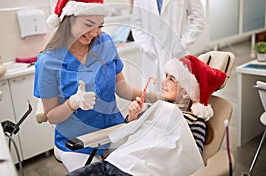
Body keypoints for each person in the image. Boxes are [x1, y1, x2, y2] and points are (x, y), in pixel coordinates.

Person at [33, 0, 143, 172]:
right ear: (69, 20)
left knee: (140, 167)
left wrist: (151, 96)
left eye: (100, 25)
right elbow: (51, 116)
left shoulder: (105, 42)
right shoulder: (48, 61)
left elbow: (121, 88)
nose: (95, 32)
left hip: (113, 132)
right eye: (89, 24)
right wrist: (72, 103)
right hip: (77, 142)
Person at [67, 55, 226, 176]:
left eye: (171, 79)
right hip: (117, 162)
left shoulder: (195, 121)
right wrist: (132, 117)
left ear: (186, 91)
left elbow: (189, 158)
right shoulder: (157, 109)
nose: (164, 82)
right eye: (165, 77)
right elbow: (131, 134)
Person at [131, 0, 206, 91]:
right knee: (152, 100)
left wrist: (182, 44)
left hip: (177, 55)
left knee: (177, 101)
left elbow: (198, 19)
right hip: (151, 58)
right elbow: (136, 24)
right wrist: (147, 47)